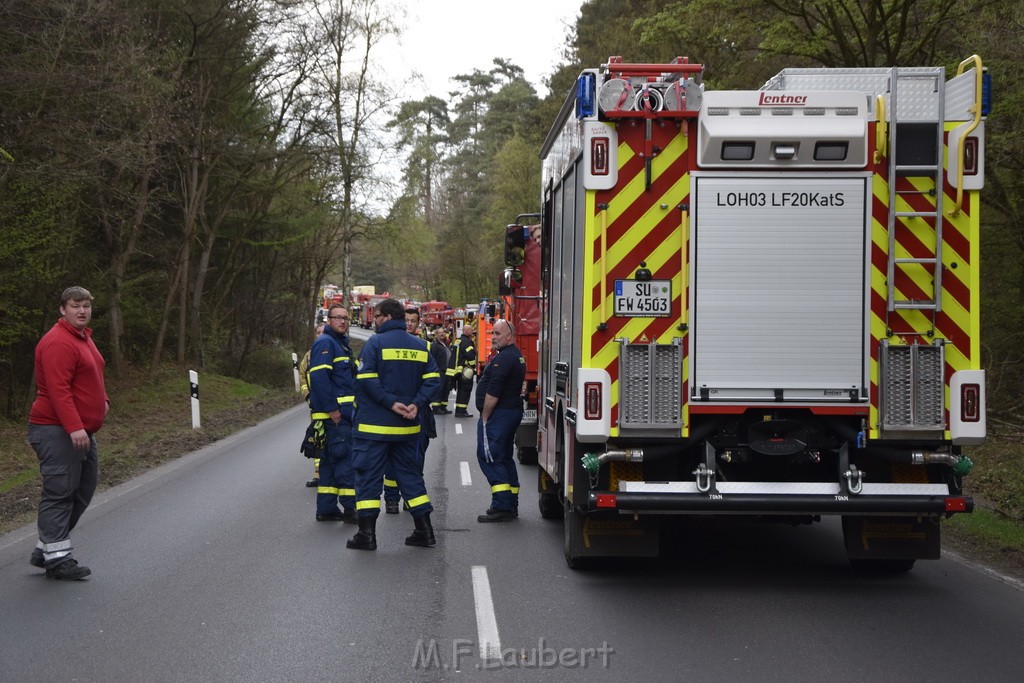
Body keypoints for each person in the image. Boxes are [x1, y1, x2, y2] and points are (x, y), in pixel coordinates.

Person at [27, 286, 109, 580]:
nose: (82, 311)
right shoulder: (58, 342)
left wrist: (104, 401)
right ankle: (58, 559)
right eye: (75, 305)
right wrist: (74, 427)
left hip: (81, 430)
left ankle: (45, 549)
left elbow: (94, 375)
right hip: (56, 430)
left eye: (86, 305)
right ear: (62, 309)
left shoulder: (83, 338)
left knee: (83, 490)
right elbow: (59, 390)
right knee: (61, 492)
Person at [347, 298, 440, 550]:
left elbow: (365, 379)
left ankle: (366, 535)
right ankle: (424, 531)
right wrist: (417, 403)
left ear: (387, 317)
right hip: (408, 428)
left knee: (368, 479)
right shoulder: (421, 346)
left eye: (376, 316)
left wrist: (390, 403)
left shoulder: (374, 343)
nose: (374, 320)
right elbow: (433, 380)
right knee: (410, 478)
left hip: (374, 429)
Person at [382, 308, 443, 513]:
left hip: (419, 411)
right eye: (406, 320)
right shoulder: (386, 343)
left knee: (416, 456)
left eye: (413, 321)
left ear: (419, 324)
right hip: (394, 410)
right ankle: (391, 500)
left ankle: (412, 498)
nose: (409, 324)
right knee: (393, 457)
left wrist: (419, 402)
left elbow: (433, 380)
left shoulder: (427, 346)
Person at [308, 304, 358, 523]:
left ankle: (327, 508)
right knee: (345, 460)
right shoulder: (326, 343)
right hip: (337, 416)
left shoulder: (339, 344)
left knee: (329, 462)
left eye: (346, 318)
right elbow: (319, 379)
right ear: (329, 320)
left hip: (337, 416)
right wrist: (333, 409)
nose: (343, 321)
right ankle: (352, 509)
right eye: (338, 318)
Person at [474, 319, 526, 523]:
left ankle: (502, 505)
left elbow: (493, 391)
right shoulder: (514, 356)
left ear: (509, 336)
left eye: (497, 333)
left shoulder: (503, 359)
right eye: (492, 333)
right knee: (503, 457)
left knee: (490, 455)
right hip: (509, 412)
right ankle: (510, 503)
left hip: (499, 414)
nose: (493, 337)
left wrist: (485, 416)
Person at [298, 322, 325, 487]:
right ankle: (318, 474)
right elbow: (302, 377)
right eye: (319, 332)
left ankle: (332, 473)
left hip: (332, 405)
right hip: (315, 405)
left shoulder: (332, 351)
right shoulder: (309, 356)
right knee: (317, 439)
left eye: (324, 332)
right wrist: (308, 395)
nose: (321, 335)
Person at [447, 321, 477, 418]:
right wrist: (473, 367)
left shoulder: (458, 340)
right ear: (467, 331)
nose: (473, 332)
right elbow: (470, 355)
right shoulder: (467, 342)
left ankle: (459, 411)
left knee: (461, 391)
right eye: (471, 331)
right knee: (465, 391)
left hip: (457, 370)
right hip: (465, 371)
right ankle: (461, 411)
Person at [430, 328, 451, 415]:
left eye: (443, 332)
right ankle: (436, 408)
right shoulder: (435, 345)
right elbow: (432, 358)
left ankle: (443, 407)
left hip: (447, 370)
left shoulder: (445, 344)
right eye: (440, 333)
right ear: (436, 334)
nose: (442, 334)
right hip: (439, 370)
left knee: (446, 389)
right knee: (439, 389)